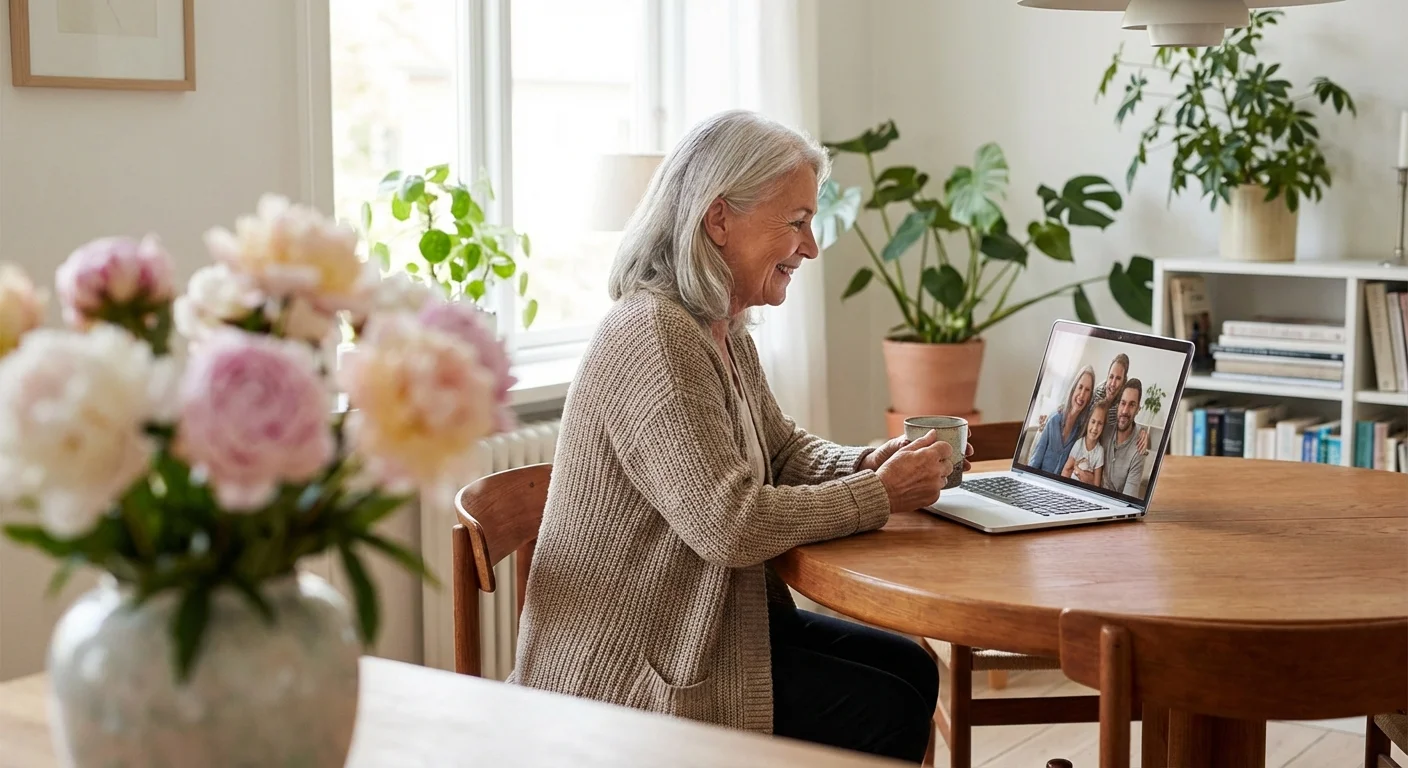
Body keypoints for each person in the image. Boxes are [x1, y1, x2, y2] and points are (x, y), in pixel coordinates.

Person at [510, 110, 970, 764]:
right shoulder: (655, 335)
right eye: (797, 222)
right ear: (719, 219)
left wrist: (868, 461)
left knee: (910, 670)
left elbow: (781, 453)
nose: (811, 247)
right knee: (887, 706)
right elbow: (729, 526)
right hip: (635, 672)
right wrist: (878, 494)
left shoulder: (720, 325)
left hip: (709, 628)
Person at [1074, 379, 1146, 497]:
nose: (1125, 411)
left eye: (1132, 405)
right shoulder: (1105, 428)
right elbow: (1083, 416)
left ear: (1138, 409)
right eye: (1123, 403)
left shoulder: (1139, 449)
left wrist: (1143, 431)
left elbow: (1128, 499)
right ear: (1118, 406)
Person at [1027, 365, 1095, 474]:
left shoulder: (1080, 433)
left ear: (1089, 397)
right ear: (1074, 389)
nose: (1082, 395)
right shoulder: (1054, 419)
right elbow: (1035, 461)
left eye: (1087, 390)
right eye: (1080, 387)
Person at [1062, 405, 1107, 488]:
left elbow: (1096, 485)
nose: (1095, 428)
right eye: (1093, 422)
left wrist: (1078, 470)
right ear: (1088, 422)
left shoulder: (1099, 452)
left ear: (1104, 427)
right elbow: (1066, 470)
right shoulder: (1079, 444)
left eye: (1100, 423)